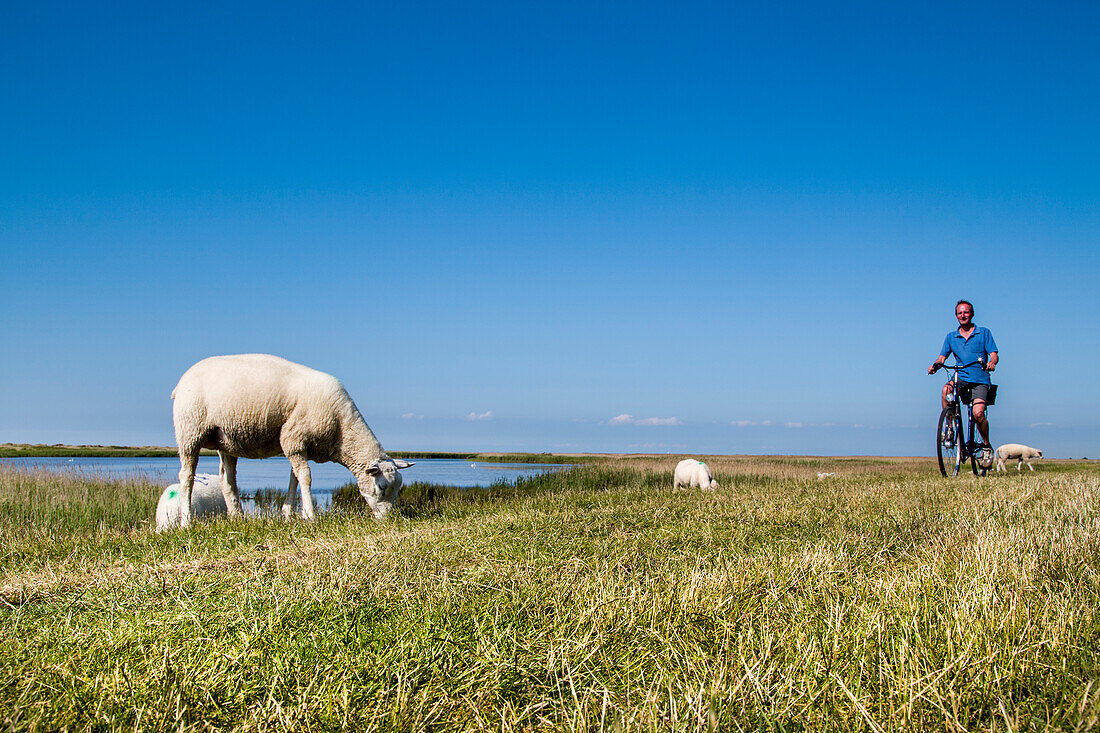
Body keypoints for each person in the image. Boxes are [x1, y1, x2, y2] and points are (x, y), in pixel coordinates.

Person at [928, 299, 999, 465]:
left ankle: (987, 446)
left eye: (966, 312)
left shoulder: (984, 333)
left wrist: (992, 362)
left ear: (972, 314)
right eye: (960, 313)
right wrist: (935, 366)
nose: (963, 315)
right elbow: (942, 357)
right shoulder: (951, 337)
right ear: (956, 316)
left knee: (978, 413)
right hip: (961, 378)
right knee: (946, 390)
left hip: (980, 379)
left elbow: (994, 353)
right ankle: (950, 426)